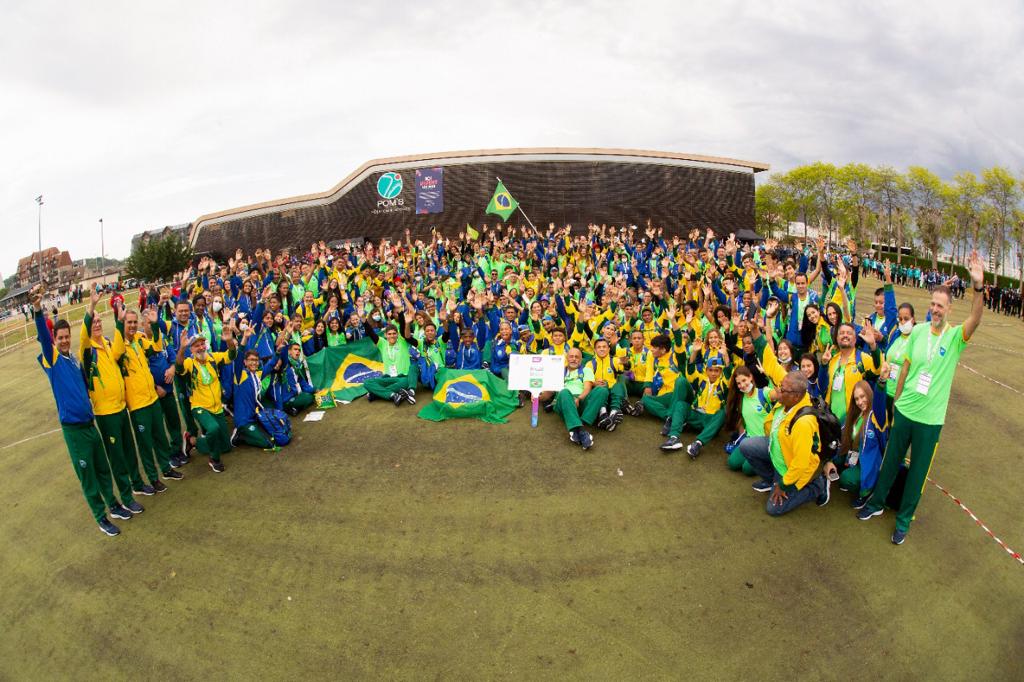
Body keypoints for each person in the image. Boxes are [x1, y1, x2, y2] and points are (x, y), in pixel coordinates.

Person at [857, 252, 986, 545]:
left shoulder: (955, 338)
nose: (936, 309)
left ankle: (903, 521)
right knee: (890, 462)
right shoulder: (916, 332)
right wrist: (899, 399)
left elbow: (976, 319)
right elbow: (906, 368)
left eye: (940, 306)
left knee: (916, 474)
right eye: (933, 305)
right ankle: (876, 504)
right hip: (904, 411)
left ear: (949, 309)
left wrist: (978, 287)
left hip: (930, 421)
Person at [31, 285, 130, 536]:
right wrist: (36, 309)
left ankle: (114, 505)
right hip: (74, 431)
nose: (64, 340)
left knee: (102, 470)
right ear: (54, 341)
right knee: (88, 477)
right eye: (60, 337)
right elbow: (43, 335)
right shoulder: (52, 359)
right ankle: (101, 517)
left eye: (66, 337)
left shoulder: (74, 360)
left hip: (90, 425)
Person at [742, 322, 831, 516]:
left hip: (795, 467)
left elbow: (800, 463)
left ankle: (818, 487)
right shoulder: (790, 387)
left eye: (782, 389)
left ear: (797, 395)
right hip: (779, 450)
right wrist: (755, 331)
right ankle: (771, 480)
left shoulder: (803, 421)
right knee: (747, 446)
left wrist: (783, 485)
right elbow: (771, 364)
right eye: (780, 386)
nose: (778, 390)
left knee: (773, 509)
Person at [80, 291, 153, 504]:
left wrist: (120, 323)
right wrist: (91, 307)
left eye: (99, 321)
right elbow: (85, 333)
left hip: (121, 407)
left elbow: (120, 351)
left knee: (129, 450)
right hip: (106, 412)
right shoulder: (86, 348)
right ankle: (127, 496)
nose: (97, 324)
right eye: (93, 322)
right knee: (117, 456)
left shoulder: (109, 343)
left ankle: (138, 485)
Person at [114, 306, 183, 491]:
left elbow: (157, 347)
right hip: (137, 404)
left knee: (160, 437)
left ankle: (166, 469)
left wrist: (155, 324)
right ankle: (153, 478)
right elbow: (118, 354)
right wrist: (119, 324)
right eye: (129, 322)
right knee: (145, 444)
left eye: (134, 322)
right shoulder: (119, 346)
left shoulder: (139, 340)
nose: (132, 325)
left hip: (152, 398)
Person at [175, 328, 237, 472]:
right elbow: (178, 368)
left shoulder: (212, 358)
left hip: (217, 407)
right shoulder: (190, 362)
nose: (201, 347)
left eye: (202, 344)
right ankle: (214, 460)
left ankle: (192, 441)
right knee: (213, 429)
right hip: (199, 406)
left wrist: (229, 341)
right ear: (191, 349)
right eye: (197, 345)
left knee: (226, 447)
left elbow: (231, 355)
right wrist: (181, 349)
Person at [824, 375, 888, 509]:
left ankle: (866, 493)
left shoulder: (877, 417)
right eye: (857, 398)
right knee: (831, 461)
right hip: (852, 454)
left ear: (870, 395)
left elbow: (881, 402)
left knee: (847, 479)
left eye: (863, 396)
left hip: (867, 461)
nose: (860, 402)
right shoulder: (854, 414)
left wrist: (881, 383)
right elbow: (839, 435)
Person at [542, 347, 595, 450]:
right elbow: (549, 392)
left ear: (580, 359)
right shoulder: (559, 371)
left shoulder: (586, 370)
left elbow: (587, 388)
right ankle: (581, 430)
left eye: (577, 357)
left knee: (601, 391)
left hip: (580, 401)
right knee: (565, 392)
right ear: (567, 358)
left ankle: (575, 431)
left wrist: (579, 399)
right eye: (571, 356)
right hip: (563, 401)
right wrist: (538, 395)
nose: (574, 359)